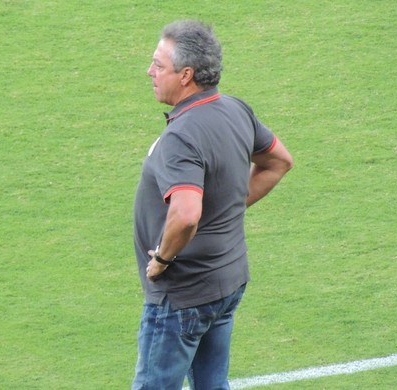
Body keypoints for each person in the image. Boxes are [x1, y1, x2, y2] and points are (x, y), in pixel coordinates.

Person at [132, 20, 293, 390]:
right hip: (226, 282)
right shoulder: (235, 110)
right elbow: (278, 162)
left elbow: (187, 214)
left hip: (182, 295)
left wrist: (161, 260)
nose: (150, 72)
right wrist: (227, 209)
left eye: (159, 65)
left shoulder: (182, 136)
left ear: (186, 75)